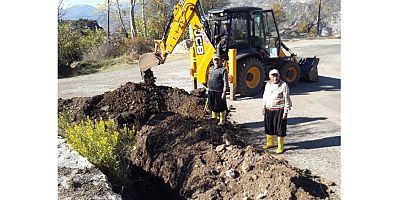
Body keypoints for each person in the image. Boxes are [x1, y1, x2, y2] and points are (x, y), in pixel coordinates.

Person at [262, 69, 292, 154]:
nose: (275, 78)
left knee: (280, 128)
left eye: (276, 76)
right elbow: (265, 96)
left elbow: (287, 99)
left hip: (279, 110)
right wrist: (263, 107)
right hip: (269, 109)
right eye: (273, 76)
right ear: (270, 76)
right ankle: (270, 143)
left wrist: (286, 111)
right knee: (269, 127)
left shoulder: (284, 85)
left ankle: (280, 146)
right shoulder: (267, 84)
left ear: (279, 76)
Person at [207, 53, 228, 126]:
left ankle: (222, 120)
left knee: (221, 106)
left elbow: (226, 82)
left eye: (217, 60)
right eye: (215, 59)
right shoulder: (211, 68)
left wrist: (224, 92)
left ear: (220, 60)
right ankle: (214, 119)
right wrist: (208, 88)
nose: (216, 61)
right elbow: (209, 79)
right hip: (211, 90)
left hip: (219, 91)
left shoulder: (223, 70)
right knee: (213, 106)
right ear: (213, 60)